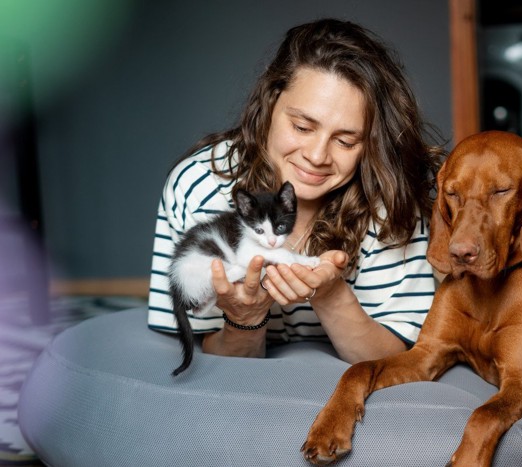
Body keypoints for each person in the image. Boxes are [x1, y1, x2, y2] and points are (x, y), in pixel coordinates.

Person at [147, 18, 444, 364]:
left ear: (371, 144)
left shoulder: (391, 201)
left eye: (346, 140)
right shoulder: (203, 184)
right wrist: (246, 318)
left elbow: (392, 356)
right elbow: (213, 360)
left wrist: (331, 296)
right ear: (270, 104)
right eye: (302, 127)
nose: (317, 156)